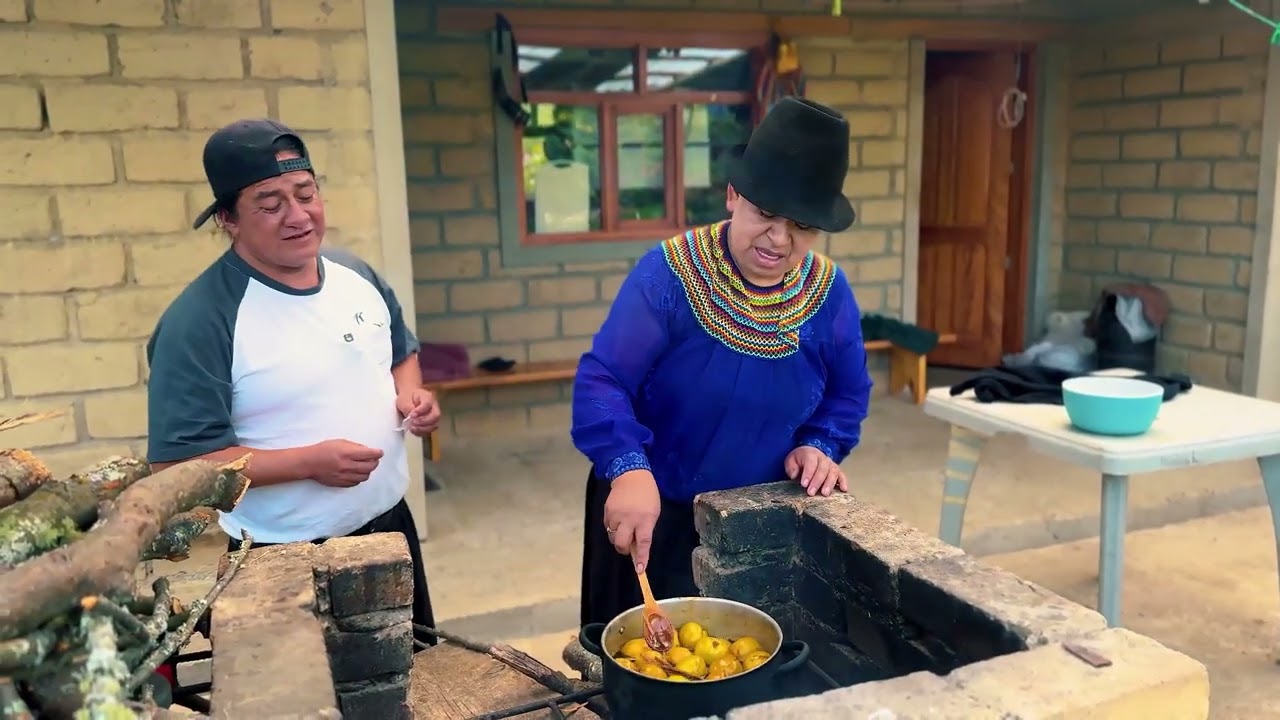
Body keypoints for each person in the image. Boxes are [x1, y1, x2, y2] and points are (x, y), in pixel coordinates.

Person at [571, 97, 875, 626]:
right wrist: (627, 469)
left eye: (801, 224)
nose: (779, 239)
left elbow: (846, 396)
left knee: (741, 664)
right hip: (653, 512)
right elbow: (604, 380)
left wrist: (820, 445)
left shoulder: (829, 292)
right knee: (644, 670)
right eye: (765, 214)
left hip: (761, 525)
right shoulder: (668, 274)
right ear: (734, 195)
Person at [144, 118, 441, 649]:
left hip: (390, 530)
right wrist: (308, 463)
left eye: (306, 193)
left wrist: (411, 397)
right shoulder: (201, 320)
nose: (298, 215)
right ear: (228, 220)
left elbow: (400, 351)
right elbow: (177, 465)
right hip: (283, 556)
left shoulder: (356, 275)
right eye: (270, 203)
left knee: (416, 684)